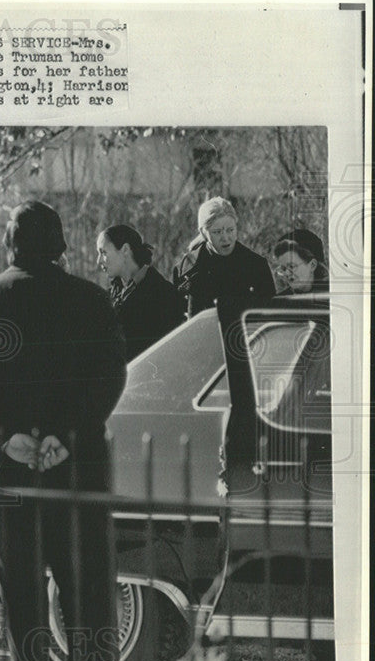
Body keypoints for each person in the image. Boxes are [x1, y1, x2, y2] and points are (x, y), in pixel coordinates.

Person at [0, 201, 127, 661]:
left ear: (10, 245)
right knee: (89, 601)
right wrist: (66, 437)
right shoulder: (92, 300)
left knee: (23, 603)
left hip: (9, 475)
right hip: (77, 469)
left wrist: (4, 439)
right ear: (59, 244)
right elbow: (110, 376)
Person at [172, 197, 276, 483]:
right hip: (206, 357)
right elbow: (187, 318)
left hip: (247, 356)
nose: (226, 237)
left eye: (230, 229)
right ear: (204, 233)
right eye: (218, 232)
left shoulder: (255, 264)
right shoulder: (191, 266)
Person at [96, 224, 185, 360]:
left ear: (125, 249)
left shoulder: (163, 295)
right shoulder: (111, 295)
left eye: (103, 253)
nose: (99, 261)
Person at [273, 229, 329, 295]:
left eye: (291, 266)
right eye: (283, 268)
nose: (287, 273)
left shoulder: (333, 295)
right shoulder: (280, 301)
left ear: (312, 265)